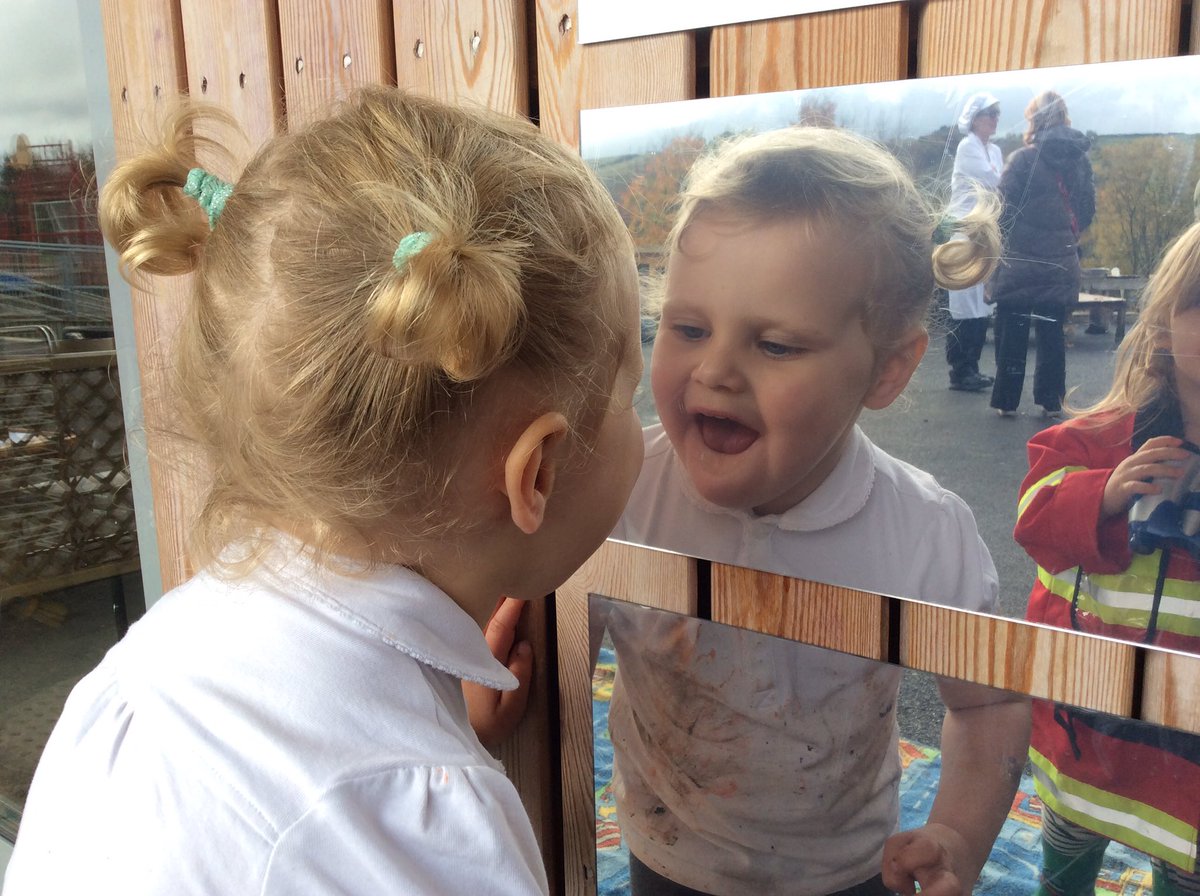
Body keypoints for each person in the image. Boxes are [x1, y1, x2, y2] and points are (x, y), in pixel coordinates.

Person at [1, 87, 646, 895]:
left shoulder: (153, 664)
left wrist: (429, 739)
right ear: (538, 472)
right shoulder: (413, 823)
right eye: (630, 389)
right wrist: (424, 779)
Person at [607, 125, 1032, 896]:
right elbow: (541, 634)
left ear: (889, 369)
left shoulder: (923, 535)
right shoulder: (622, 489)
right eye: (688, 327)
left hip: (847, 871)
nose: (715, 370)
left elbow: (990, 704)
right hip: (668, 851)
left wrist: (958, 838)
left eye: (775, 344)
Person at [1015, 221, 1200, 896]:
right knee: (1066, 860)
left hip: (1189, 758)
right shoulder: (1095, 439)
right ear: (1161, 330)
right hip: (1085, 729)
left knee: (1182, 865)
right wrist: (1108, 494)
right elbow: (1034, 518)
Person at [989, 90, 1095, 418]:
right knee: (1052, 331)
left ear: (1034, 119)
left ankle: (1007, 401)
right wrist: (1066, 234)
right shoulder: (1080, 161)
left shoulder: (1022, 159)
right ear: (1064, 117)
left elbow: (1002, 209)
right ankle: (1051, 401)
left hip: (1021, 258)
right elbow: (1087, 209)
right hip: (1060, 259)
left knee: (1013, 330)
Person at [945, 92, 1004, 392]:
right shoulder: (968, 146)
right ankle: (960, 368)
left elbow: (997, 182)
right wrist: (996, 177)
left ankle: (972, 367)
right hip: (966, 231)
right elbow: (993, 181)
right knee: (965, 301)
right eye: (989, 114)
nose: (995, 119)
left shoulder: (993, 150)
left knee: (981, 303)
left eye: (997, 114)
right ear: (975, 119)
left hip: (983, 232)